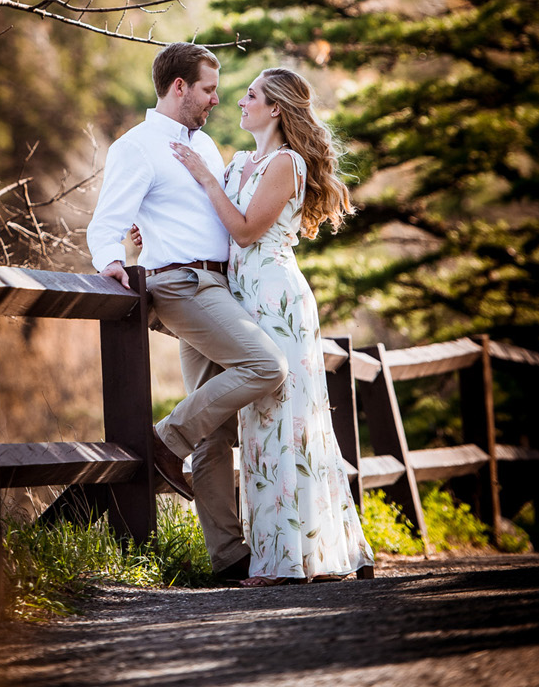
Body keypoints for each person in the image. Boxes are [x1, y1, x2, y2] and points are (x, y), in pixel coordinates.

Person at [86, 42, 286, 582]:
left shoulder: (206, 149)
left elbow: (209, 217)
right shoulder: (138, 146)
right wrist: (110, 261)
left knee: (216, 430)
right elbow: (107, 219)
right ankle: (164, 442)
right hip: (183, 285)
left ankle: (228, 557)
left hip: (214, 286)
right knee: (267, 366)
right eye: (207, 89)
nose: (216, 100)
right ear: (179, 88)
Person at [168, 66, 374, 584]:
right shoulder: (241, 162)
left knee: (284, 426)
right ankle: (282, 553)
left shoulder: (286, 163)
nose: (240, 101)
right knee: (257, 429)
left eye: (252, 95)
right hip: (240, 297)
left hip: (276, 297)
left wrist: (205, 177)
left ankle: (289, 559)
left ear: (276, 108)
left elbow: (243, 232)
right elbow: (211, 226)